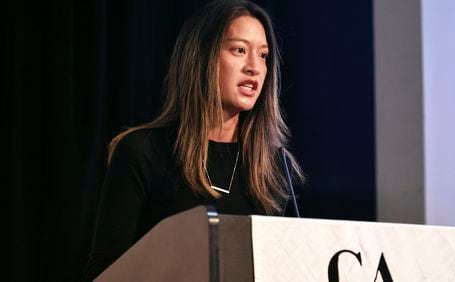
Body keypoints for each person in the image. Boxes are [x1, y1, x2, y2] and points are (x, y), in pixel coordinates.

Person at [85, 0, 304, 280]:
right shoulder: (142, 152)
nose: (255, 67)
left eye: (263, 55)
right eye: (239, 50)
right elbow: (104, 272)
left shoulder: (274, 166)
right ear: (202, 58)